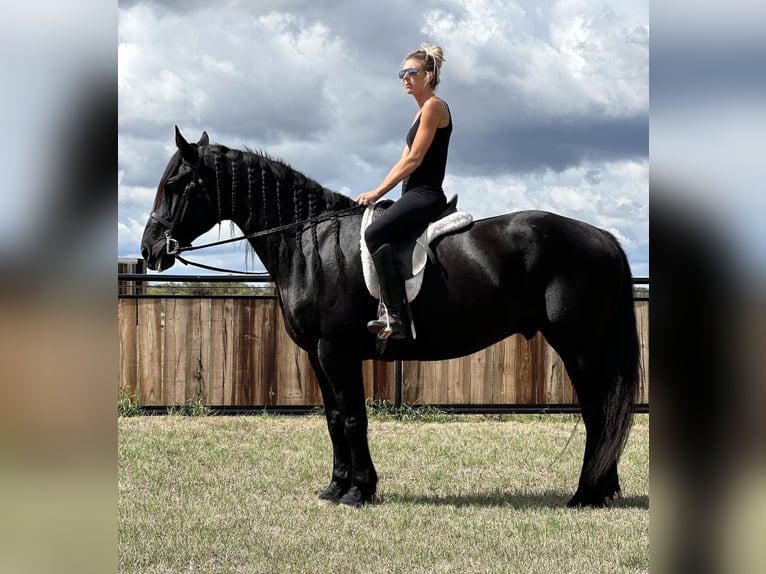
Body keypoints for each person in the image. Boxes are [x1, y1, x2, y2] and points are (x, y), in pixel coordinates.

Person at [356, 43, 452, 340]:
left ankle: (394, 314)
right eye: (401, 73)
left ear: (429, 75)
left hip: (426, 194)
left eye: (411, 72)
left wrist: (376, 191)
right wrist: (381, 191)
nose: (404, 78)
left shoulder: (435, 107)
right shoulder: (419, 114)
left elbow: (413, 160)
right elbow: (401, 162)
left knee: (374, 234)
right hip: (411, 194)